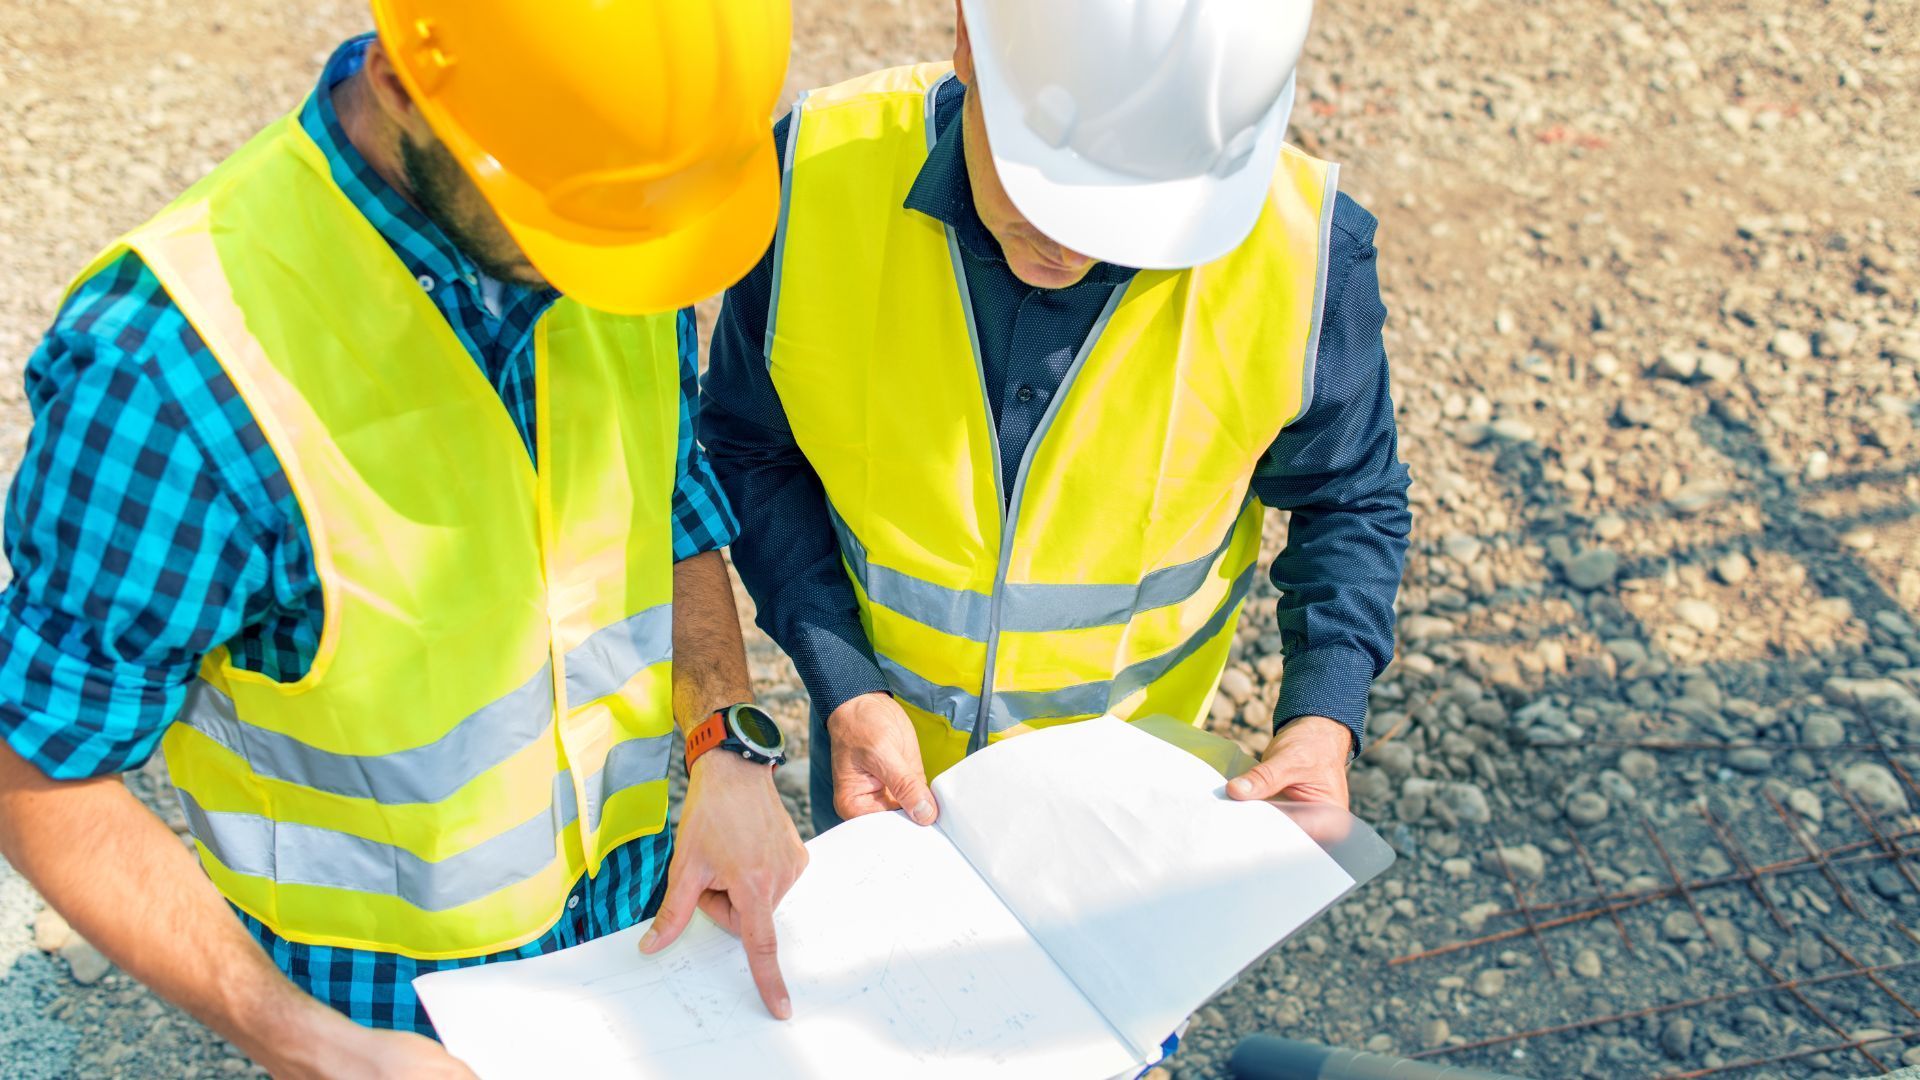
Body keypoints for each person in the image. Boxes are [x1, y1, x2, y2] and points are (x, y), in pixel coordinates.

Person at [0, 3, 804, 1075]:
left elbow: (668, 496)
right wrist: (306, 1043)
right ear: (398, 79)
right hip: (380, 1013)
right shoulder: (169, 374)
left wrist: (726, 745)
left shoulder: (617, 215)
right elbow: (40, 768)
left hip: (629, 942)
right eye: (566, 220)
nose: (611, 268)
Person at [703, 0, 1413, 840]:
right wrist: (847, 684)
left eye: (1128, 210)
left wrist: (1320, 714)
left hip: (1138, 802)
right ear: (968, 34)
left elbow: (1350, 498)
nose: (1070, 247)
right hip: (884, 772)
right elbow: (752, 451)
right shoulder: (815, 179)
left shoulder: (1304, 252)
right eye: (1050, 187)